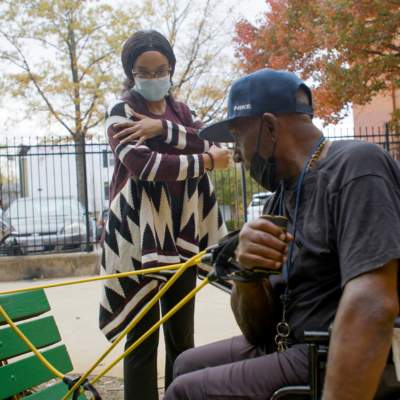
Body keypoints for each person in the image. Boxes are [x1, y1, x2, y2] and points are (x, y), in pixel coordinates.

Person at [164, 68, 400, 400]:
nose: (234, 154)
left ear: (270, 127)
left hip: (328, 353)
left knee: (184, 392)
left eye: (237, 136)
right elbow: (257, 330)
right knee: (186, 364)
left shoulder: (356, 167)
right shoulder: (281, 196)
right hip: (287, 341)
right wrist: (246, 273)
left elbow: (372, 302)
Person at [99, 30, 230, 400]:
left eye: (161, 69)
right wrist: (203, 160)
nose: (154, 77)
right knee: (140, 342)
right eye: (144, 71)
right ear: (131, 71)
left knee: (182, 339)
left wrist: (161, 128)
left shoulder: (181, 111)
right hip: (138, 239)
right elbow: (144, 165)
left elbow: (211, 139)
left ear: (171, 68)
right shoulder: (120, 113)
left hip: (182, 235)